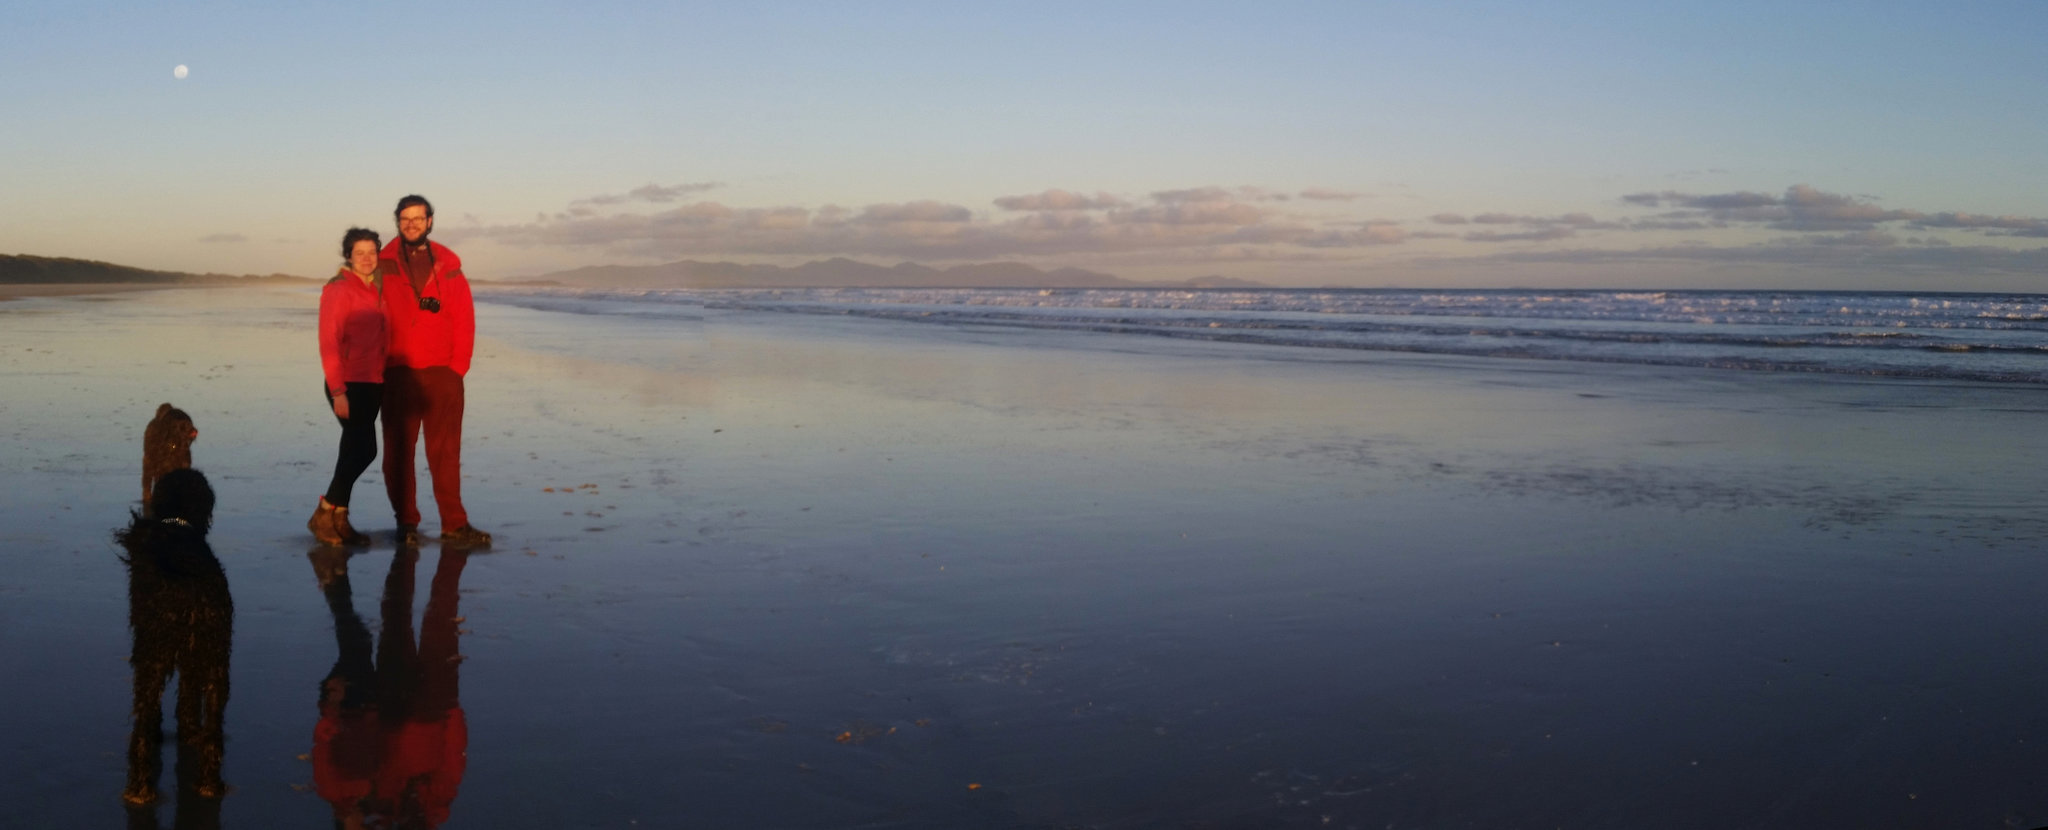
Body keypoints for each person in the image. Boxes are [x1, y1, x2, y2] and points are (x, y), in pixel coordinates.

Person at [379, 195, 490, 547]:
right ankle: (406, 524)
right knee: (398, 454)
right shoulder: (381, 265)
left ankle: (454, 524)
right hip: (398, 374)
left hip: (443, 375)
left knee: (445, 454)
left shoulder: (449, 265)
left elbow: (465, 320)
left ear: (430, 221)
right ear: (398, 222)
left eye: (418, 218)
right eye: (405, 218)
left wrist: (457, 369)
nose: (411, 223)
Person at [311, 228, 389, 546]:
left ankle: (339, 520)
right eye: (360, 253)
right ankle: (325, 511)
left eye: (372, 252)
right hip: (348, 383)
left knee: (351, 452)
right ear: (349, 256)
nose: (367, 258)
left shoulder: (377, 288)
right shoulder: (339, 290)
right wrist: (338, 390)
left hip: (373, 382)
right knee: (365, 450)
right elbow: (328, 342)